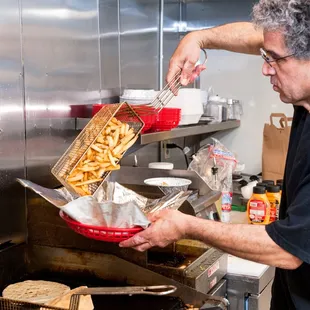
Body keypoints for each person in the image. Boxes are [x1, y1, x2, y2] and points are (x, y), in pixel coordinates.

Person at [120, 0, 310, 309]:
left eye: (274, 60)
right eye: (265, 56)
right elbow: (262, 36)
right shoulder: (304, 94)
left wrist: (186, 226)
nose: (264, 68)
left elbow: (286, 250)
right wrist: (197, 38)